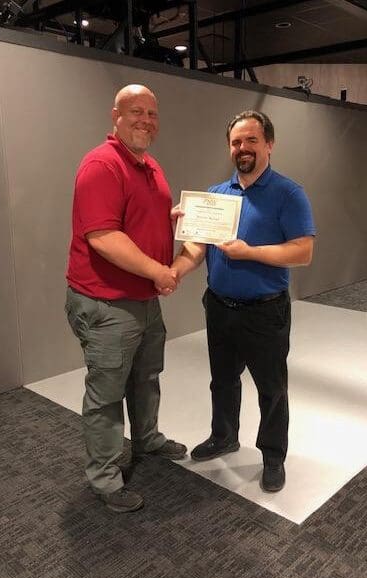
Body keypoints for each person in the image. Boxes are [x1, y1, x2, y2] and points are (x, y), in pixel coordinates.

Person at [171, 110, 315, 492]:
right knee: (222, 380)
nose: (243, 148)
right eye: (236, 142)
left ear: (269, 144)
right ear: (229, 148)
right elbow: (196, 247)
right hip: (219, 306)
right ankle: (224, 436)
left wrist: (249, 252)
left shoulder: (289, 194)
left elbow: (302, 252)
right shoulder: (216, 196)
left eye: (251, 140)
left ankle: (272, 455)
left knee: (271, 388)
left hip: (265, 312)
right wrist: (174, 270)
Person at [65, 84, 186, 514]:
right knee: (107, 392)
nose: (145, 120)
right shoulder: (102, 164)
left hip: (143, 298)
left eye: (152, 114)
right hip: (107, 302)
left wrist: (173, 220)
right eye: (136, 111)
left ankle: (147, 438)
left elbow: (138, 219)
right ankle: (105, 475)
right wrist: (159, 272)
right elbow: (103, 236)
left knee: (146, 375)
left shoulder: (149, 166)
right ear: (115, 115)